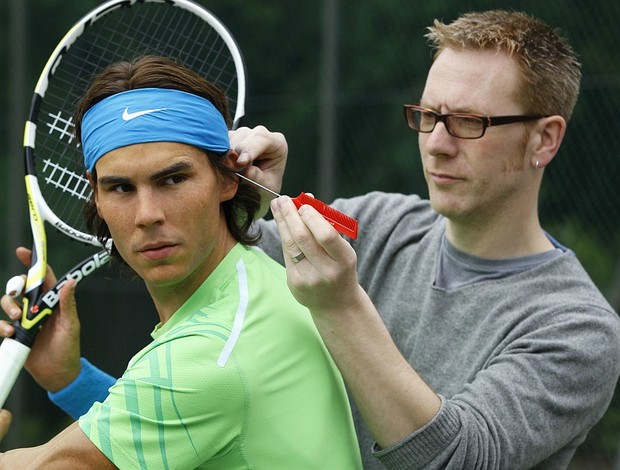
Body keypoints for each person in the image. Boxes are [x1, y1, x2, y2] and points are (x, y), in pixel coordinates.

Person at [2, 9, 620, 469]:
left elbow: (454, 458)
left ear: (546, 138)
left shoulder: (576, 331)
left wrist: (340, 303)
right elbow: (200, 400)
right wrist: (71, 378)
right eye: (427, 116)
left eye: (469, 122)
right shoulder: (375, 224)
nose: (436, 142)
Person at [0, 55, 361, 468]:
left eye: (172, 179)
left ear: (227, 177)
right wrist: (70, 380)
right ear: (96, 196)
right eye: (120, 188)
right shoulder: (260, 283)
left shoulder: (211, 352)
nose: (147, 214)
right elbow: (179, 424)